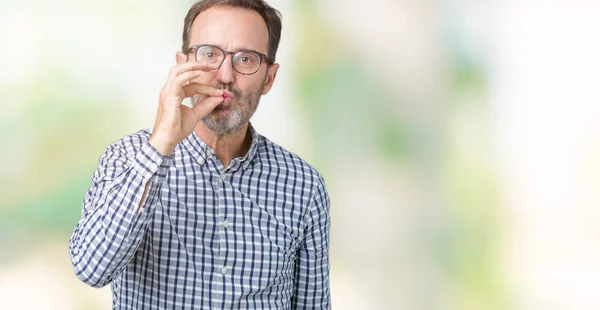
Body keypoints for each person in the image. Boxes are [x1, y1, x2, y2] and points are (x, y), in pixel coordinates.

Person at [68, 0, 331, 308]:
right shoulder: (126, 159)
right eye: (209, 54)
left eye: (246, 59)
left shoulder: (304, 185)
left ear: (269, 79)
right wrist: (162, 144)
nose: (225, 76)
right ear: (182, 66)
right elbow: (90, 269)